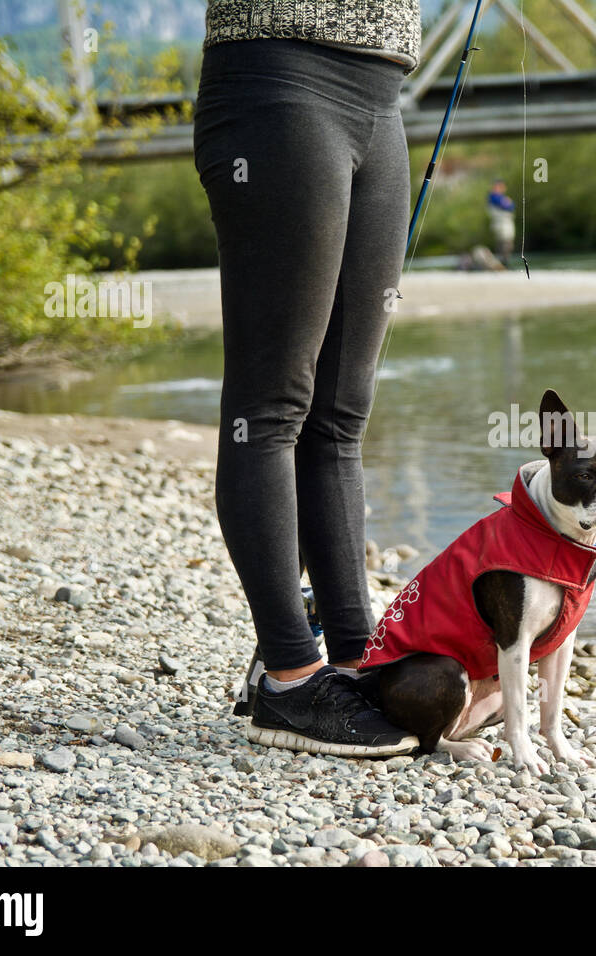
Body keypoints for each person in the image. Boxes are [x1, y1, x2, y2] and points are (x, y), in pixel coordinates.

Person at [192, 0, 423, 755]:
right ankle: (290, 677)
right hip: (278, 81)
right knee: (272, 407)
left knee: (342, 412)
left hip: (381, 97)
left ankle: (355, 660)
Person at [487, 178, 516, 265]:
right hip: (501, 224)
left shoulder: (496, 197)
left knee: (505, 243)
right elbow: (508, 206)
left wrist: (508, 202)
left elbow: (511, 206)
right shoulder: (494, 197)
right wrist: (508, 202)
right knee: (505, 244)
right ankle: (503, 263)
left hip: (503, 224)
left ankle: (503, 262)